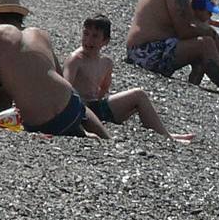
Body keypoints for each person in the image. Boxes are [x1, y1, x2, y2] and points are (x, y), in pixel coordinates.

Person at [63, 14, 194, 142]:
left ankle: (165, 134)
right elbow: (64, 89)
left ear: (105, 41)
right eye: (86, 34)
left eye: (95, 36)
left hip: (97, 108)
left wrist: (101, 101)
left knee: (139, 98)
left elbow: (104, 87)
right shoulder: (76, 60)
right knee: (138, 95)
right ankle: (167, 137)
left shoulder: (106, 62)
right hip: (82, 112)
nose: (88, 40)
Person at [0, 11, 107, 140]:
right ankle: (105, 138)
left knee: (58, 121)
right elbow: (60, 74)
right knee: (76, 107)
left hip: (43, 123)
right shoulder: (39, 33)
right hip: (71, 105)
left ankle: (84, 134)